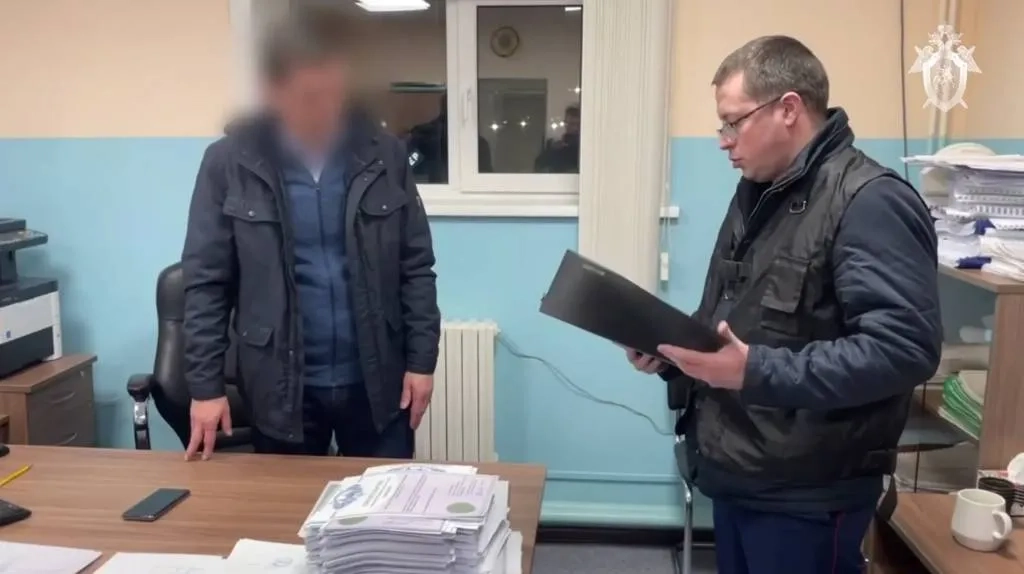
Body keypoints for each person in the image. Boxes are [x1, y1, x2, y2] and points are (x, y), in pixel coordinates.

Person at [627, 36, 941, 574]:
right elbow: (732, 318)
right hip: (738, 468)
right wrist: (672, 353)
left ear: (789, 109)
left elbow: (904, 350)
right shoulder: (758, 190)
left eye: (733, 122)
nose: (724, 141)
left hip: (809, 493)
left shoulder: (869, 200)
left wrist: (753, 371)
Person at [180, 8, 440, 461]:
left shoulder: (385, 155)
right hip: (282, 389)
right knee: (288, 506)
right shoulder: (230, 163)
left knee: (385, 501)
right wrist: (205, 387)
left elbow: (415, 268)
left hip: (377, 383)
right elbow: (206, 282)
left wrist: (422, 362)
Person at [533, 104, 580, 173]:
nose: (575, 128)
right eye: (571, 124)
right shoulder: (556, 147)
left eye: (578, 124)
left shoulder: (585, 148)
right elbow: (539, 165)